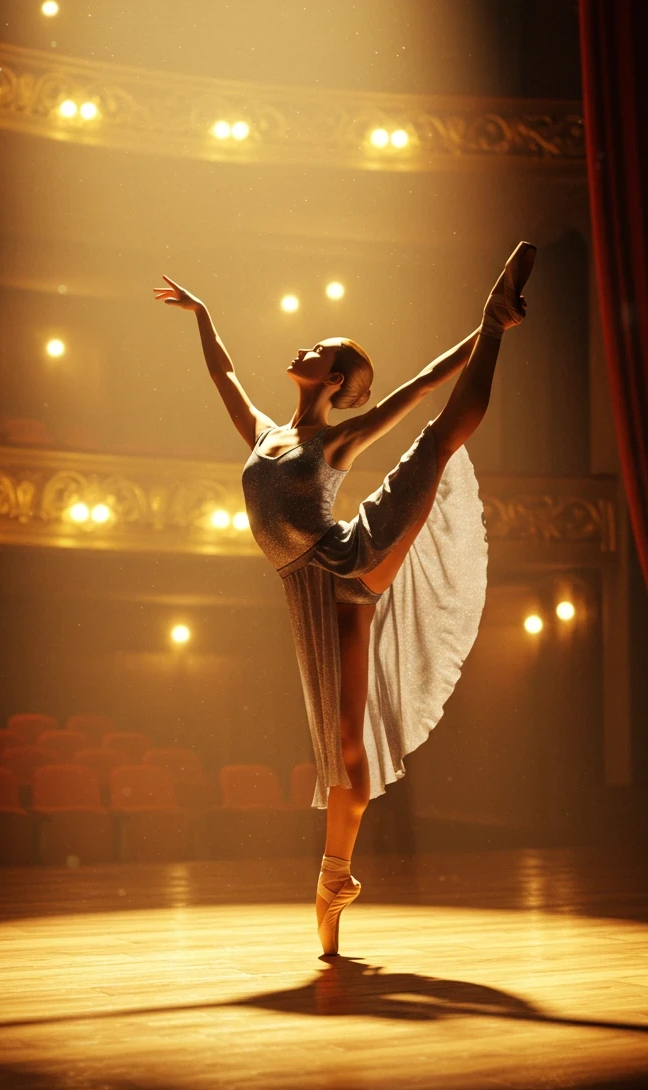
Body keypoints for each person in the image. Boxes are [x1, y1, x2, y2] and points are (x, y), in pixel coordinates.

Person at [153, 241, 536, 955]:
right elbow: (223, 372)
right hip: (310, 589)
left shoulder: (335, 441)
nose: (303, 349)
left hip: (346, 561)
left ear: (333, 380)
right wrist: (202, 315)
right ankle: (335, 883)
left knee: (435, 440)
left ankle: (493, 318)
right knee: (344, 752)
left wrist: (485, 331)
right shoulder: (264, 435)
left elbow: (421, 384)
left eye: (318, 350)